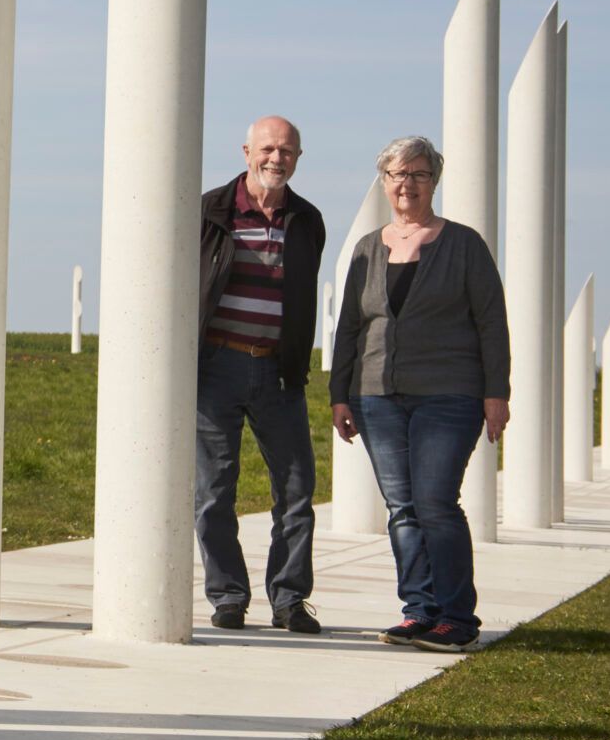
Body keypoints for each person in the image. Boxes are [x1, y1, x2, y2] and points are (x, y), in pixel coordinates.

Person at [329, 136, 510, 653]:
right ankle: (420, 611)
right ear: (384, 181)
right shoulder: (368, 248)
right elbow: (350, 326)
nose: (407, 183)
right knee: (402, 507)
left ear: (435, 181)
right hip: (376, 396)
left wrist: (496, 392)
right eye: (397, 174)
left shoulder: (464, 244)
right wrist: (340, 394)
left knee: (435, 502)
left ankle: (457, 618)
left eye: (419, 174)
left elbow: (491, 322)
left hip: (450, 394)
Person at [194, 115, 329, 632]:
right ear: (246, 151)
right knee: (214, 491)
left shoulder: (307, 220)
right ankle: (228, 596)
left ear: (299, 158)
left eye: (287, 151)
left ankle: (289, 600)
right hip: (216, 365)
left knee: (296, 490)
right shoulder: (209, 210)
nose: (277, 158)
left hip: (279, 369)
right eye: (268, 148)